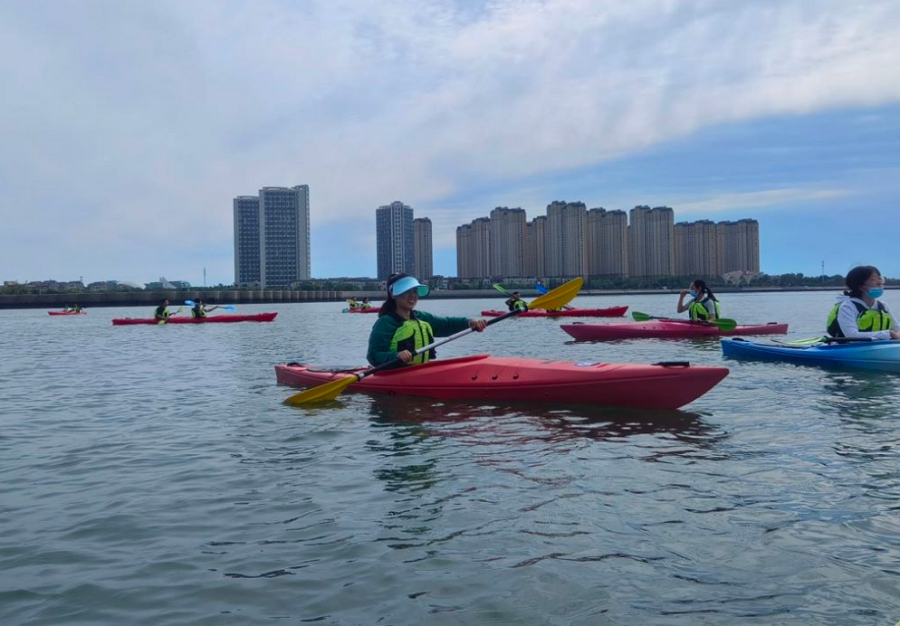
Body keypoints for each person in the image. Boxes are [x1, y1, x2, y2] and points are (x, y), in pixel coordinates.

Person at [367, 273, 487, 367]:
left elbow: (447, 324)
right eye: (407, 291)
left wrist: (471, 323)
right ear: (394, 295)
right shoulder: (385, 323)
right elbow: (373, 355)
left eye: (415, 291)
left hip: (420, 370)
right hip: (394, 373)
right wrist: (396, 355)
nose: (412, 295)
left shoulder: (421, 317)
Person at [826, 265, 900, 340]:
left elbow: (897, 329)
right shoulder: (847, 306)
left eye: (880, 278)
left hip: (878, 347)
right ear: (860, 287)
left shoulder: (883, 306)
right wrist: (888, 334)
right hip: (848, 348)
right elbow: (851, 335)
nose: (879, 283)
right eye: (873, 279)